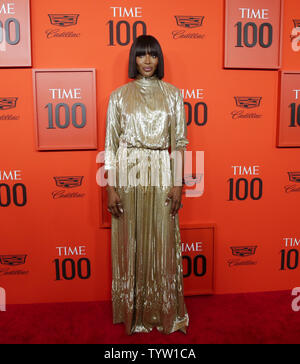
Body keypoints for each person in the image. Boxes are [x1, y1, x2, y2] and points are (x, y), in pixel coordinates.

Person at [104, 35, 189, 335]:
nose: (148, 61)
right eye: (142, 55)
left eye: (153, 55)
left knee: (163, 240)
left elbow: (179, 142)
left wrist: (179, 183)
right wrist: (110, 186)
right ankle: (132, 311)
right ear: (134, 59)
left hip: (161, 170)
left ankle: (164, 310)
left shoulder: (173, 95)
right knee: (131, 240)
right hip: (128, 173)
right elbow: (110, 146)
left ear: (159, 59)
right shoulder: (118, 96)